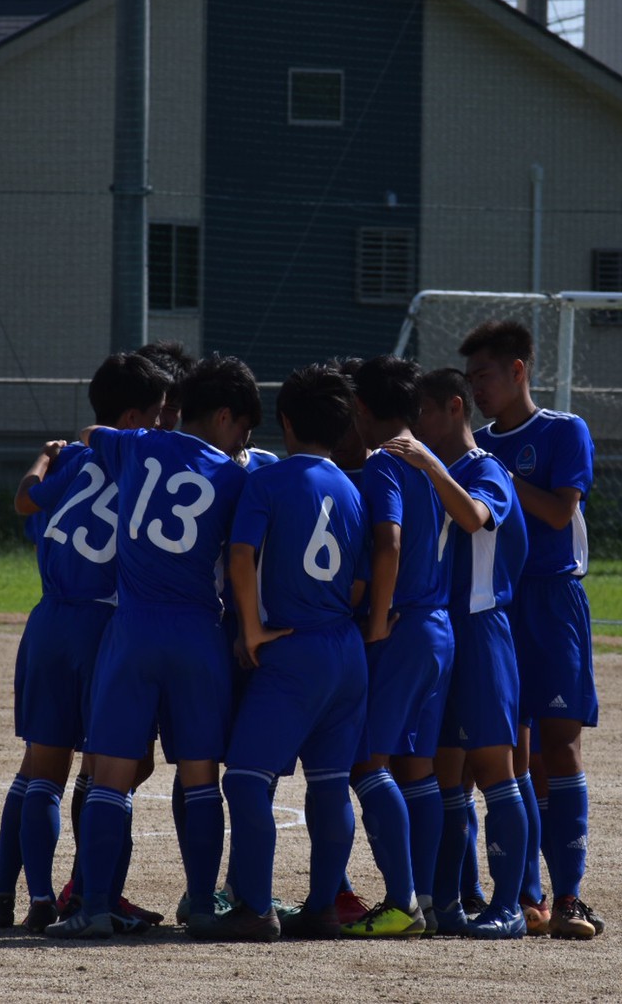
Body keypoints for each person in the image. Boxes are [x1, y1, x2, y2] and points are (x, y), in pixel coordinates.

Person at [46, 354, 259, 940]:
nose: (246, 439)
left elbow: (93, 435)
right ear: (223, 417)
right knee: (199, 778)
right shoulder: (237, 478)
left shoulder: (138, 445)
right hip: (198, 634)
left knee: (109, 776)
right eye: (243, 426)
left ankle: (92, 908)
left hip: (133, 631)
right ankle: (203, 908)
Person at [0, 352, 169, 933]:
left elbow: (25, 501)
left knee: (40, 767)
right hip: (105, 627)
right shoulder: (145, 465)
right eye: (158, 415)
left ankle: (28, 896)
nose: (163, 427)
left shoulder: (76, 460)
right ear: (132, 416)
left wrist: (44, 454)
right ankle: (91, 892)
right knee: (117, 767)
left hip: (48, 623)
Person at [213, 364, 370, 941]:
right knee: (329, 782)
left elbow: (240, 556)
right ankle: (325, 904)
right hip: (345, 651)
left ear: (283, 421)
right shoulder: (353, 489)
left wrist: (250, 629)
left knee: (248, 780)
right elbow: (360, 580)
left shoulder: (270, 481)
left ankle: (255, 907)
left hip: (292, 649)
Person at [461, 319, 602, 940]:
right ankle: (524, 895)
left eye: (485, 376)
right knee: (506, 750)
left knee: (558, 747)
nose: (477, 390)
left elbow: (555, 510)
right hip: (499, 605)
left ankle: (569, 896)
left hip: (554, 602)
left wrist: (494, 473)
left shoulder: (562, 432)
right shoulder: (477, 445)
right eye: (469, 381)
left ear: (518, 370)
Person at [382, 367, 530, 939]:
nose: (414, 427)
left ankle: (511, 905)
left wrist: (427, 462)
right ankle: (446, 898)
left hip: (483, 630)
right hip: (442, 631)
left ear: (452, 408)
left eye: (421, 413)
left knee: (497, 769)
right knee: (445, 773)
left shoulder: (486, 468)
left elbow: (474, 517)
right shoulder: (424, 472)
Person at [340, 355, 454, 938]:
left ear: (361, 408)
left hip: (402, 626)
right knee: (417, 768)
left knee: (367, 762)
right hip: (437, 626)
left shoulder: (385, 460)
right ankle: (430, 898)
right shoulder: (428, 459)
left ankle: (401, 902)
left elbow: (387, 542)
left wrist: (377, 619)